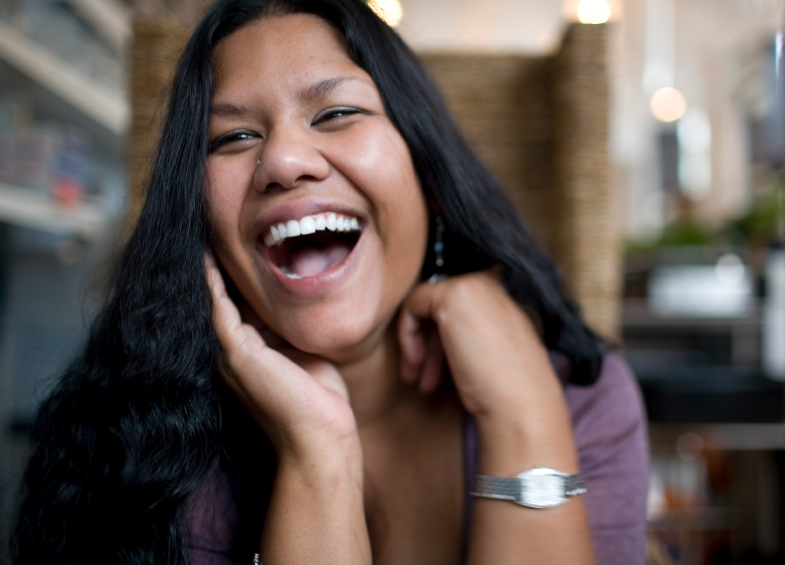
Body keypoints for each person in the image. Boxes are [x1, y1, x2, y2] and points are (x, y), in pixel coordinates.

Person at [11, 0, 649, 563]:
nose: (284, 161)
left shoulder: (581, 395)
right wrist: (317, 452)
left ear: (429, 174)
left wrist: (525, 412)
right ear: (196, 220)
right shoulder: (139, 442)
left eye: (338, 112)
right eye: (233, 136)